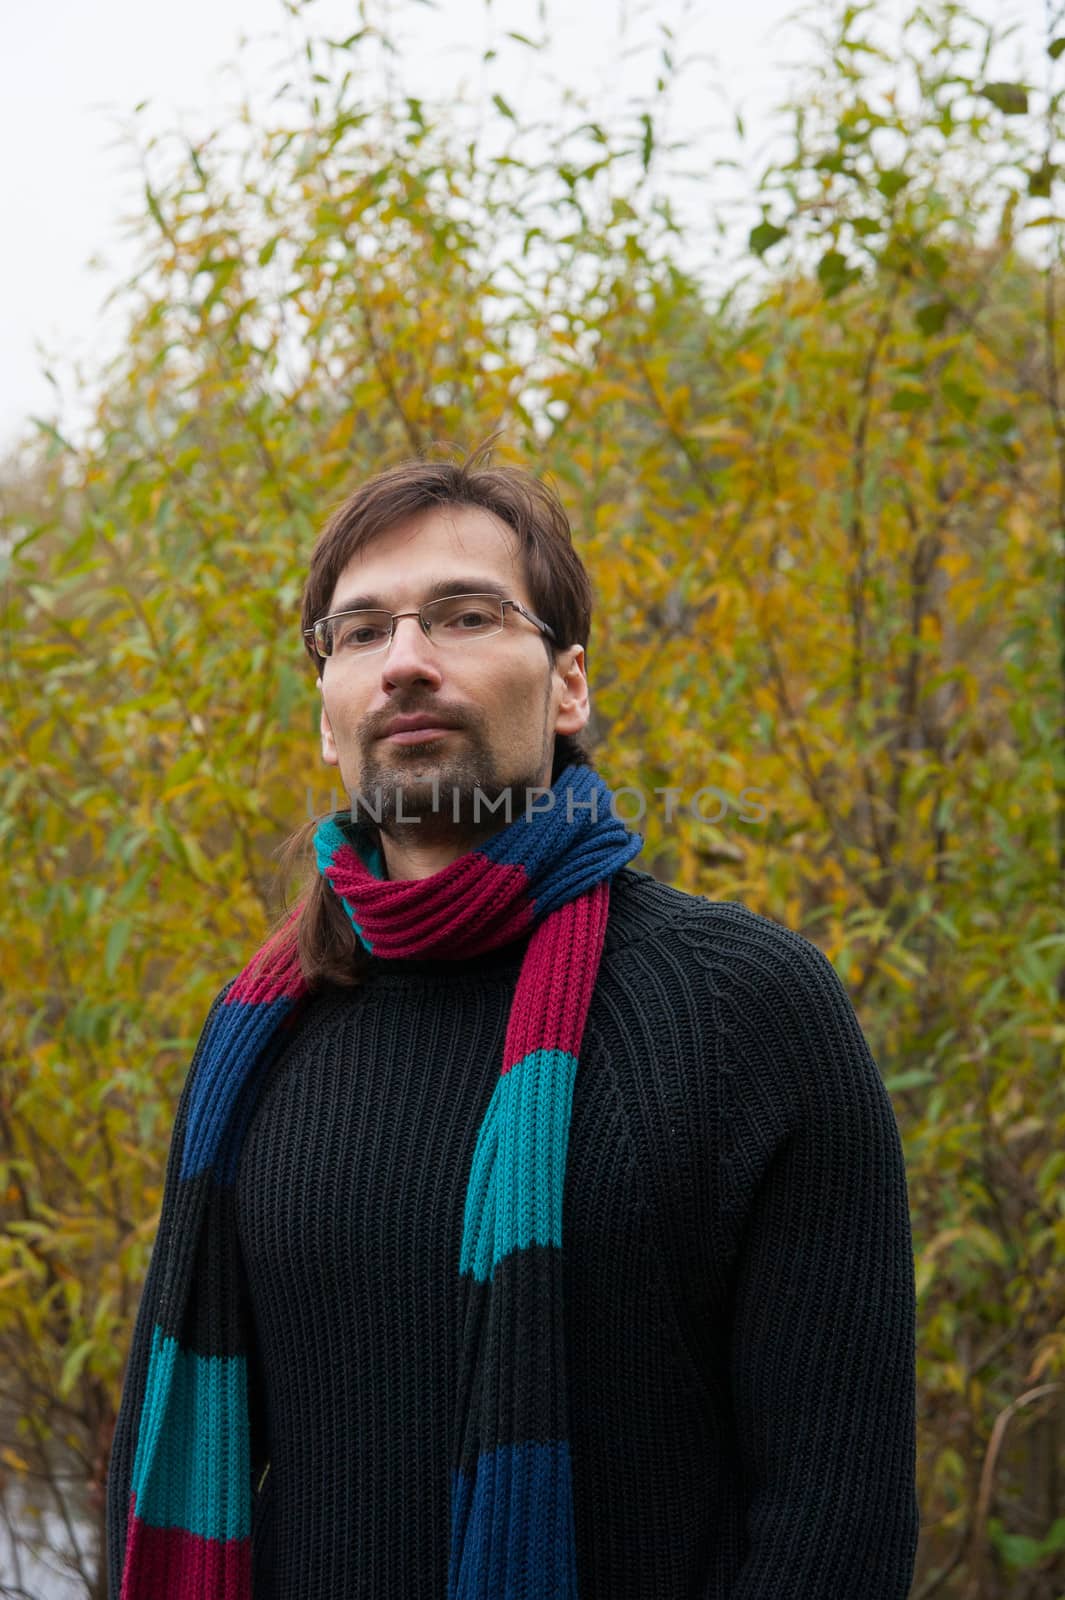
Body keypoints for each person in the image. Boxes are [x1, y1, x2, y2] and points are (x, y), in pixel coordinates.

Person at [106, 444, 919, 1600]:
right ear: (329, 718)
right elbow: (162, 1447)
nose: (407, 663)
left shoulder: (746, 1009)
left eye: (466, 615)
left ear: (569, 684)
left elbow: (836, 1521)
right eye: (360, 631)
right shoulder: (261, 1035)